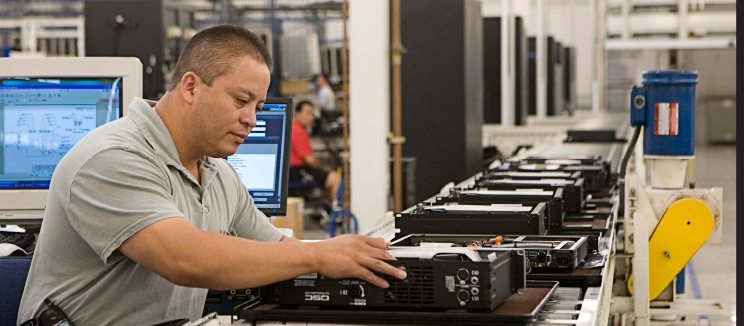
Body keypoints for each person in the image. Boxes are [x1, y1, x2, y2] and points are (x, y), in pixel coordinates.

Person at [18, 25, 405, 326]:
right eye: (241, 100)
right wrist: (319, 253)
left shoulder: (217, 173)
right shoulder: (112, 157)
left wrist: (352, 257)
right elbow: (185, 259)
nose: (252, 120)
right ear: (190, 86)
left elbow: (274, 249)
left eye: (258, 105)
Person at [289, 100, 341, 202]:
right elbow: (311, 160)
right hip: (297, 172)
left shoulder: (294, 128)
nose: (311, 117)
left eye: (312, 113)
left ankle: (324, 209)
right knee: (334, 177)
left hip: (295, 171)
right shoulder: (297, 130)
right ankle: (334, 212)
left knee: (325, 176)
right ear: (297, 114)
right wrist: (324, 169)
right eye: (308, 113)